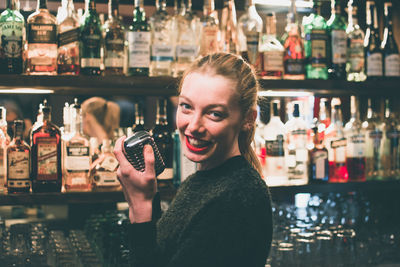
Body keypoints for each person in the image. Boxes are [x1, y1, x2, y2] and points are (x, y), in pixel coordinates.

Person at [113, 53, 273, 267]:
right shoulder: (204, 181)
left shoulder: (237, 196)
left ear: (247, 120)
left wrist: (140, 206)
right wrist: (144, 201)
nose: (194, 126)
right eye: (186, 106)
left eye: (214, 114)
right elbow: (161, 254)